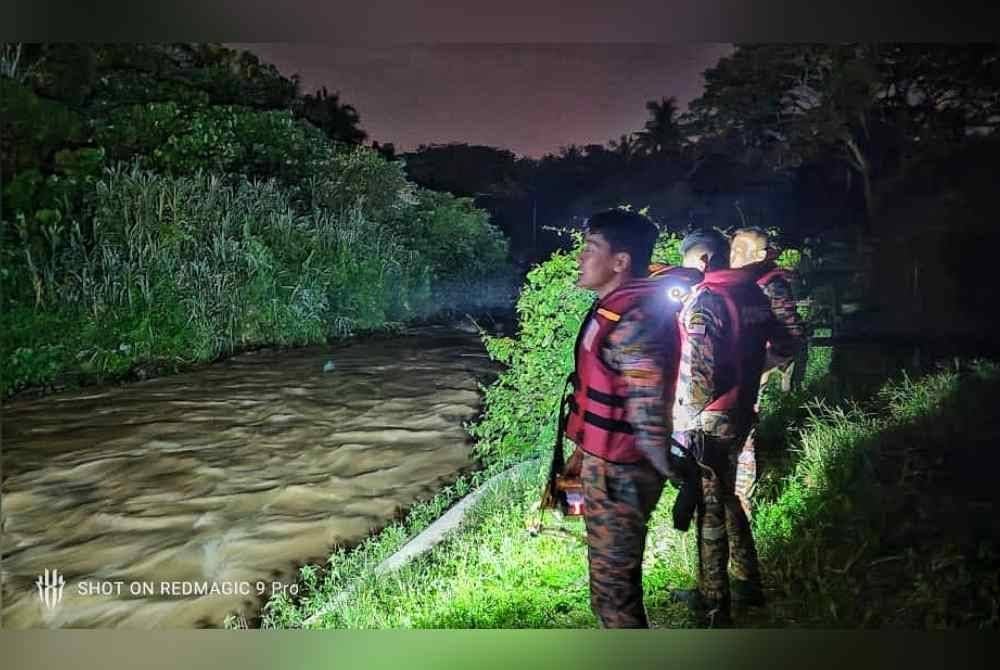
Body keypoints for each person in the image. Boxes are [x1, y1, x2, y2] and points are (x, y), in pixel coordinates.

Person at [559, 209, 696, 628]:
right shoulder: (614, 310)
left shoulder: (637, 320)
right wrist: (582, 456)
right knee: (610, 587)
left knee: (615, 597)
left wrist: (675, 473)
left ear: (620, 261)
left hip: (621, 472)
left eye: (590, 249)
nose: (580, 258)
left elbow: (648, 411)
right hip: (605, 463)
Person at [670, 228, 779, 626]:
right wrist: (748, 381)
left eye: (688, 266)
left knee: (708, 509)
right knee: (728, 496)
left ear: (703, 260)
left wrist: (683, 423)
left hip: (709, 420)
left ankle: (715, 603)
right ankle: (748, 580)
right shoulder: (753, 293)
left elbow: (701, 375)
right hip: (741, 410)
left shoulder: (707, 299)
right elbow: (785, 344)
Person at [728, 227, 808, 519]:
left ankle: (741, 507)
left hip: (749, 374)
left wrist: (761, 365)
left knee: (742, 438)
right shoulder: (738, 281)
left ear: (760, 254)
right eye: (732, 249)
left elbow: (793, 334)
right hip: (730, 373)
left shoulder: (770, 285)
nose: (733, 255)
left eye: (741, 250)